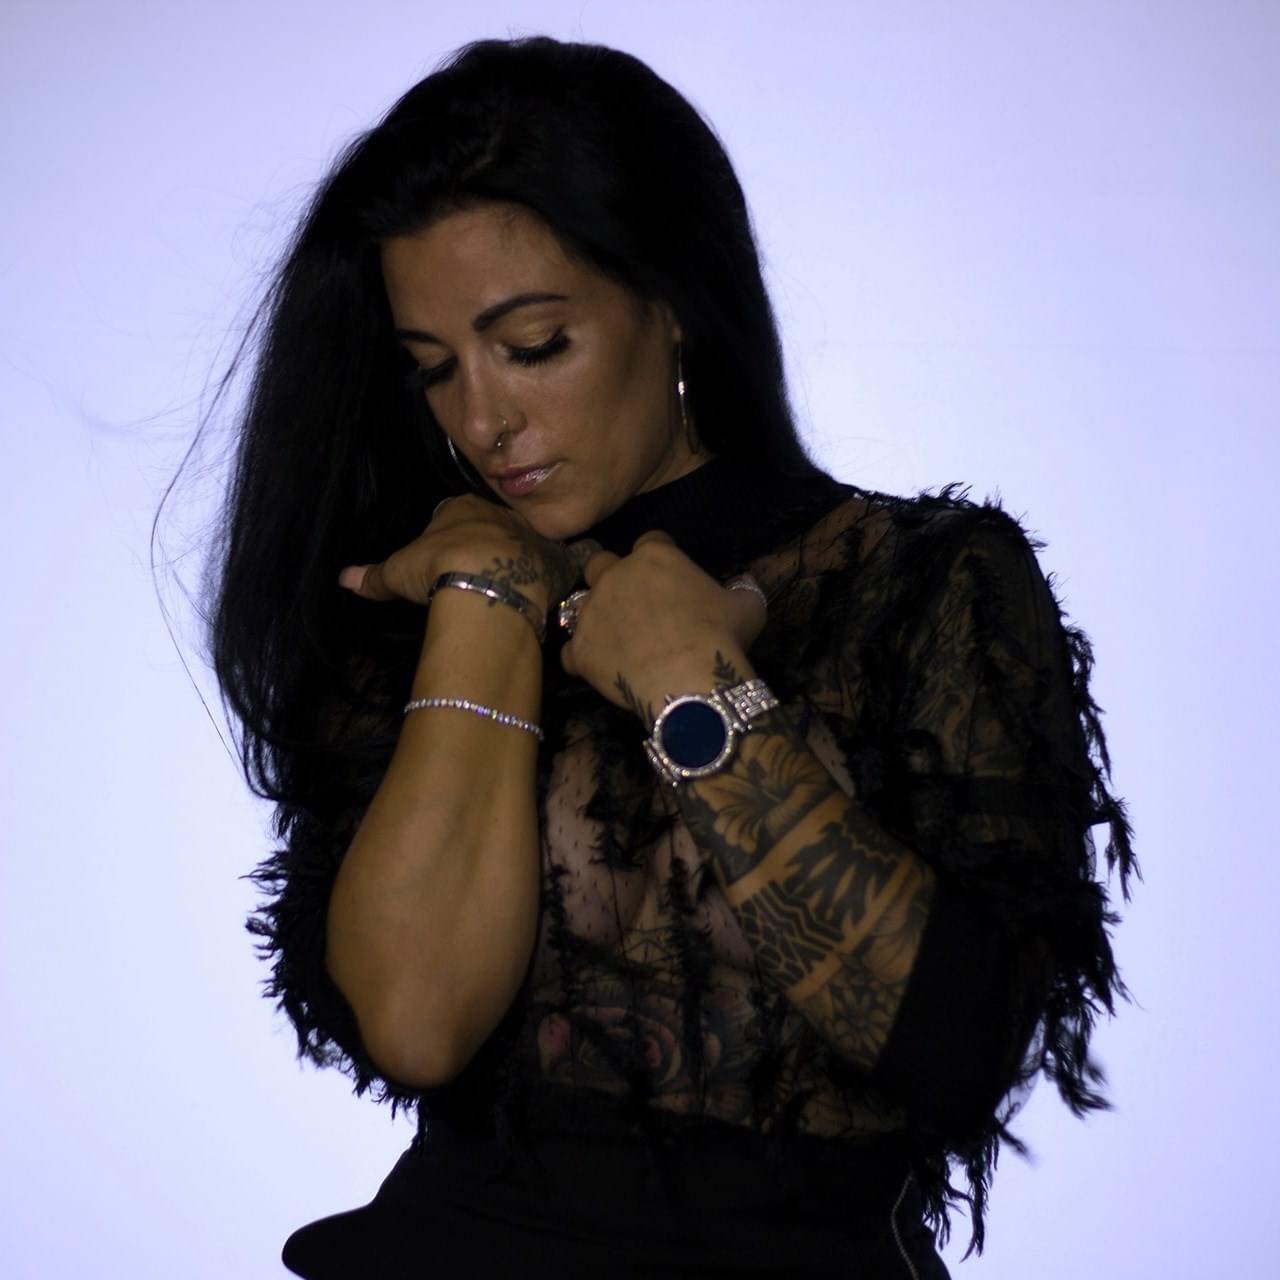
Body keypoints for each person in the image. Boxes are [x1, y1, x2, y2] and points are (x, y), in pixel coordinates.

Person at [208, 35, 1136, 1278]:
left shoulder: (919, 580)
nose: (482, 420)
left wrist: (694, 692)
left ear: (673, 299)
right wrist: (487, 606)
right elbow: (418, 1025)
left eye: (533, 343)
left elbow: (956, 1049)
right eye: (431, 369)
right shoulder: (427, 591)